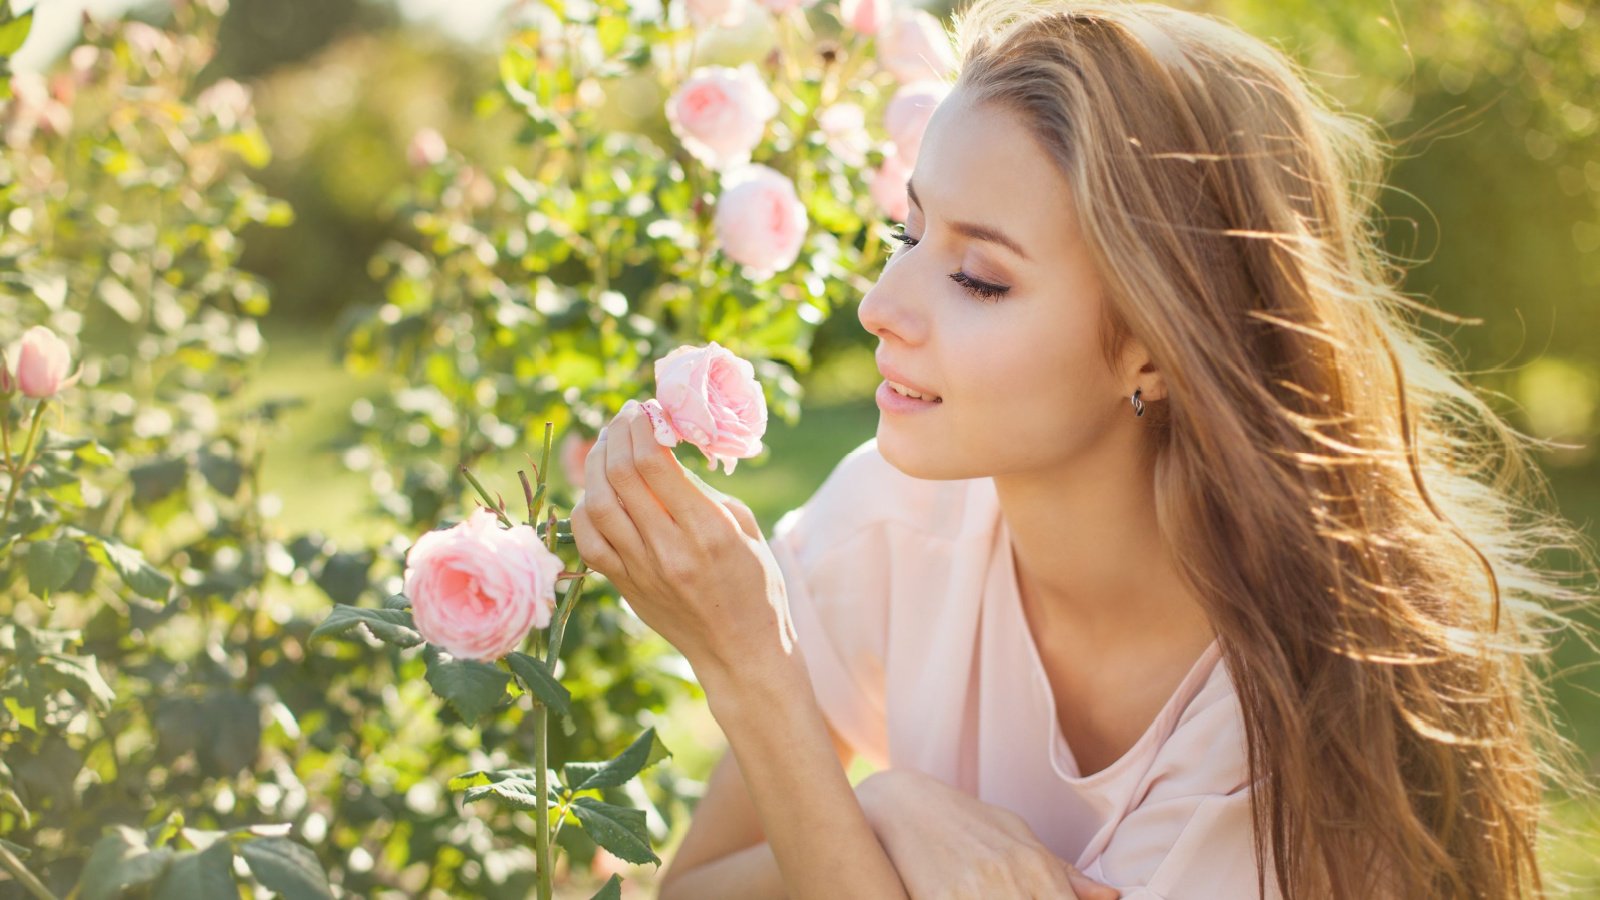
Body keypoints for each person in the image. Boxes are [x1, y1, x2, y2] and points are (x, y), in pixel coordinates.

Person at [569, 0, 1600, 897]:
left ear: (1154, 346)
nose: (880, 307)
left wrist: (755, 669)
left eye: (977, 277)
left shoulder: (1285, 705)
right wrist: (889, 812)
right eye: (906, 235)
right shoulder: (888, 521)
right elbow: (699, 889)